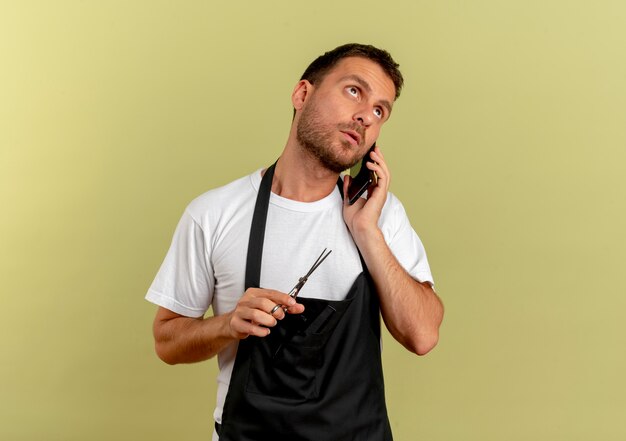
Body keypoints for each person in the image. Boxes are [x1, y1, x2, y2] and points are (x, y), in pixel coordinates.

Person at [146, 43, 444, 441]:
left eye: (379, 111)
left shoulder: (381, 215)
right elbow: (167, 341)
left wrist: (367, 231)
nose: (365, 117)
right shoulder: (214, 212)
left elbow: (423, 336)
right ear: (302, 94)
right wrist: (228, 324)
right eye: (354, 90)